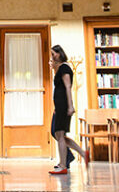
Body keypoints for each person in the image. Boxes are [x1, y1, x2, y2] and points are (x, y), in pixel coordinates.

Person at [49, 45, 89, 175]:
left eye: (53, 54)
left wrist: (70, 106)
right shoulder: (60, 68)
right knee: (60, 135)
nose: (52, 57)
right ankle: (83, 153)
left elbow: (67, 87)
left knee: (59, 135)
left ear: (60, 53)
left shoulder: (65, 68)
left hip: (64, 105)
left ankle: (62, 165)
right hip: (60, 106)